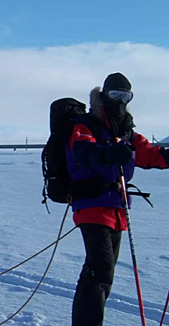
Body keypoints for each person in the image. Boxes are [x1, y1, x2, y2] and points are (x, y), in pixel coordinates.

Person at [69, 73, 169, 325]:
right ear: (104, 95)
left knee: (103, 272)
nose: (121, 101)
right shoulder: (86, 124)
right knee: (99, 269)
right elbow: (83, 151)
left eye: (126, 96)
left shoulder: (125, 130)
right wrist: (108, 152)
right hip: (91, 204)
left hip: (116, 209)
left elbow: (148, 154)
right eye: (116, 95)